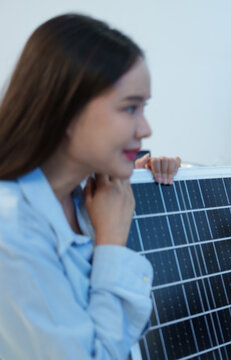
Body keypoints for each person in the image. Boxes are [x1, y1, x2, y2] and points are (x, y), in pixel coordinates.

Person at [0, 14, 179, 359]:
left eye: (145, 107)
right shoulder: (12, 233)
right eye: (130, 108)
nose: (146, 129)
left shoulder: (89, 195)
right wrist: (111, 243)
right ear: (66, 110)